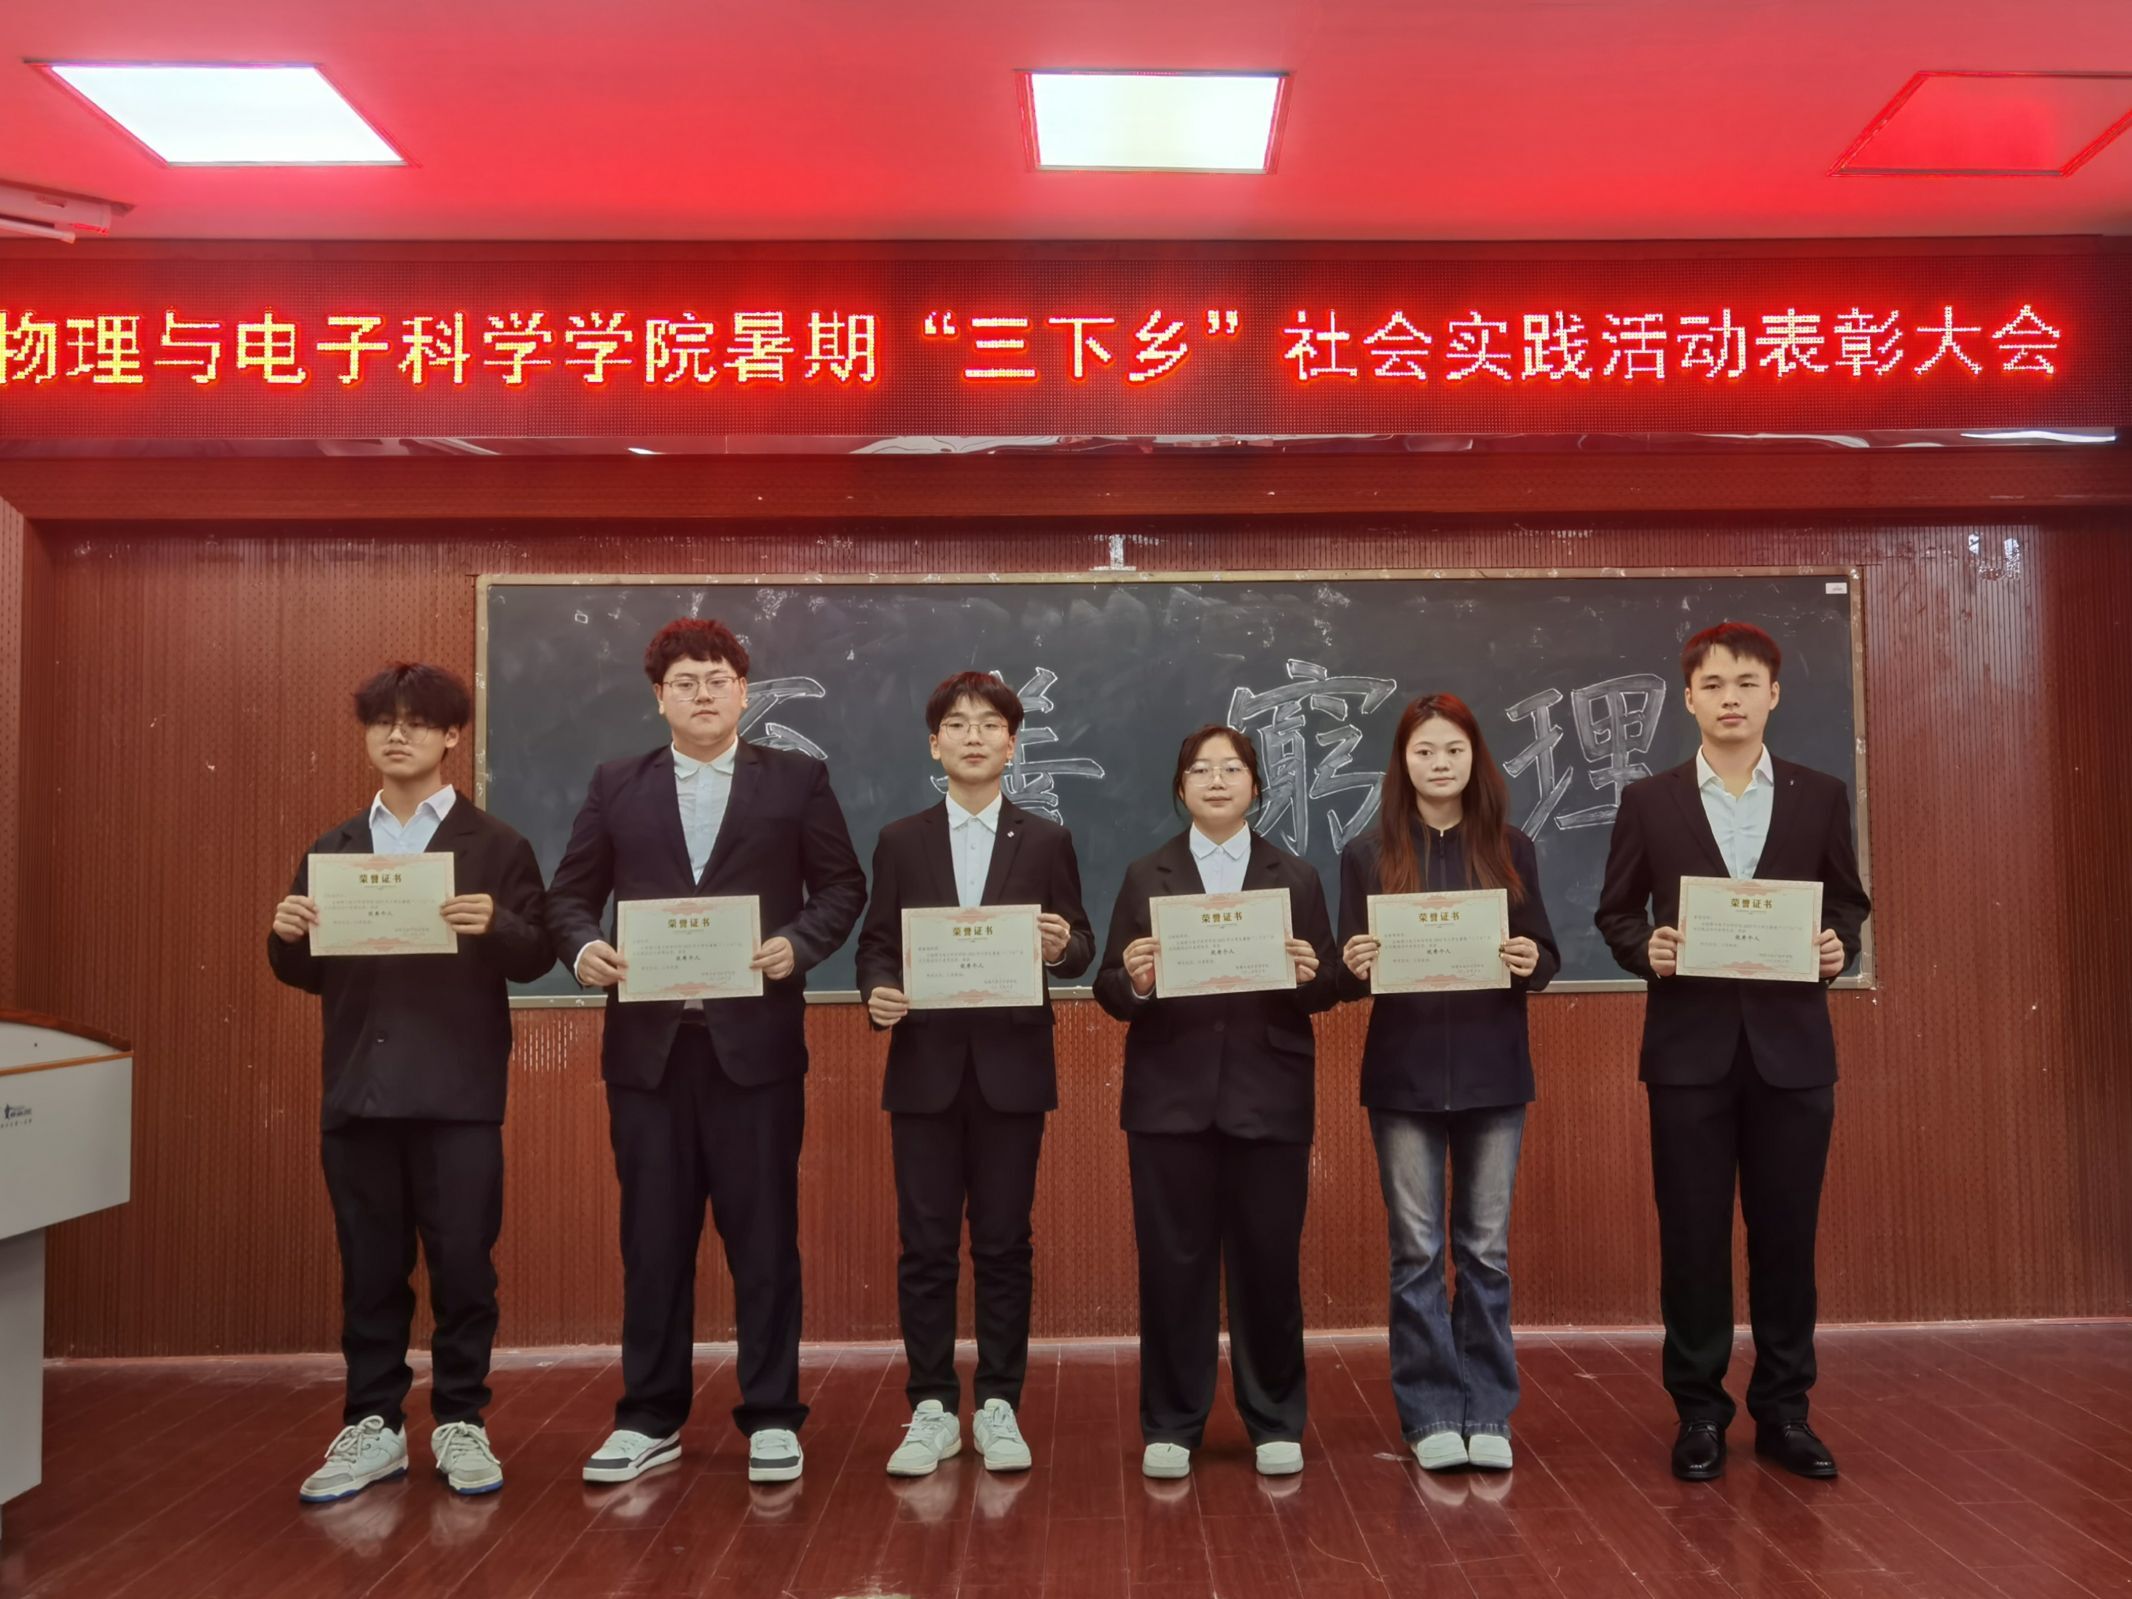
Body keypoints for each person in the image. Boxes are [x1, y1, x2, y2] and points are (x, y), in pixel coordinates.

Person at [547, 617, 866, 1486]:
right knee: (653, 1241)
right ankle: (649, 1416)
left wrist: (798, 944)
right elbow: (568, 895)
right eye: (684, 681)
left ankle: (772, 1414)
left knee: (764, 1238)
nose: (702, 694)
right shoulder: (617, 783)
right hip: (648, 1055)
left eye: (717, 679)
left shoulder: (795, 779)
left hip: (754, 1051)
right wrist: (585, 948)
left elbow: (842, 885)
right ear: (660, 697)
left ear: (742, 691)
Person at [269, 662, 552, 1503]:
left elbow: (537, 953)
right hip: (358, 1090)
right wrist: (285, 933)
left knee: (463, 1265)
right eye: (382, 721)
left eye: (418, 721)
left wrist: (495, 922)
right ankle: (374, 1424)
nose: (398, 735)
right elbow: (305, 969)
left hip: (458, 1093)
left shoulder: (495, 844)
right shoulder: (333, 847)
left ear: (451, 734)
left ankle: (462, 1417)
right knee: (369, 1268)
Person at [1595, 621, 1870, 1483]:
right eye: (1713, 684)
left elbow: (1847, 904)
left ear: (1774, 694)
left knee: (1787, 1238)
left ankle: (1785, 1411)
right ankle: (1700, 1412)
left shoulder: (1821, 795)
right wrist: (1646, 948)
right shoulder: (1651, 800)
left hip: (1794, 1053)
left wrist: (1838, 946)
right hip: (1689, 1055)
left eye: (1747, 683)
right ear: (1689, 698)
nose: (1731, 698)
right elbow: (1616, 912)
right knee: (1694, 1239)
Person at [854, 671, 1095, 1478]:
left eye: (989, 723)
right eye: (956, 724)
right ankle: (930, 1404)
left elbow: (1081, 943)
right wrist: (878, 991)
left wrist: (1061, 947)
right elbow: (876, 944)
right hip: (923, 1068)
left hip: (1011, 1071)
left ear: (1011, 744)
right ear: (935, 744)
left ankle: (998, 1402)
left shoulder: (1047, 839)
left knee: (1003, 1243)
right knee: (924, 1245)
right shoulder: (900, 839)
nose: (973, 736)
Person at [1092, 724, 1338, 1480]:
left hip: (1270, 1097)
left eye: (1232, 768)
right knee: (1173, 1266)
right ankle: (1172, 1422)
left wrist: (1311, 974)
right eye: (1201, 769)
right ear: (1181, 787)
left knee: (1269, 1264)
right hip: (1170, 1101)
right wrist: (1136, 979)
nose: (1217, 780)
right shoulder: (1147, 874)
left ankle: (1275, 1419)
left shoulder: (1295, 875)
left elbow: (1328, 984)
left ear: (1256, 785)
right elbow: (1109, 987)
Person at [1336, 693, 1558, 1473]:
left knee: (1486, 1251)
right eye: (1424, 750)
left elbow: (1545, 953)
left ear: (1475, 759)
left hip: (1495, 1075)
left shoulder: (1511, 847)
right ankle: (1430, 1411)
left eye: (1453, 750)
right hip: (1403, 1079)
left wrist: (1530, 960)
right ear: (1403, 762)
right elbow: (1345, 970)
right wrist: (1351, 962)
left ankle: (1488, 1409)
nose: (1439, 763)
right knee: (1417, 1252)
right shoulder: (1367, 853)